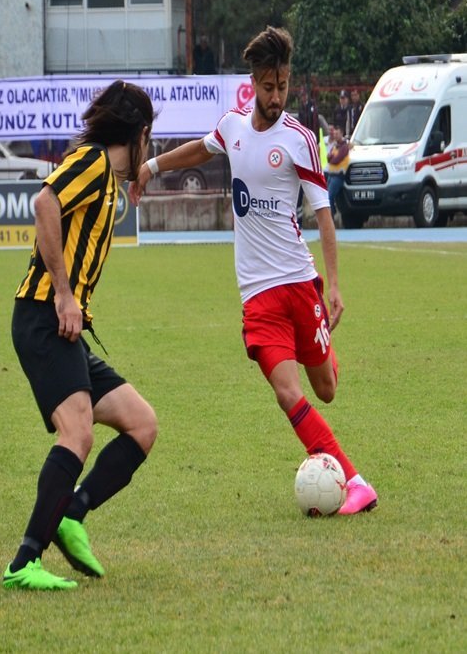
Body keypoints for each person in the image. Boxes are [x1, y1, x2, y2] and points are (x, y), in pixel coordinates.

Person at [130, 26, 377, 516]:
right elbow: (202, 148)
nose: (277, 96)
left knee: (325, 389)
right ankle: (355, 482)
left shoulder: (300, 140)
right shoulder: (233, 128)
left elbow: (323, 216)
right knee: (288, 393)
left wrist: (333, 286)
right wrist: (152, 167)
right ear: (253, 84)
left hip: (299, 282)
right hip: (258, 297)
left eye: (283, 86)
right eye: (268, 87)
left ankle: (320, 347)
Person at [3, 80, 157, 591]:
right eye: (149, 137)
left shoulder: (107, 177)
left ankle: (72, 515)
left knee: (141, 424)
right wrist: (65, 295)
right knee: (79, 432)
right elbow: (45, 202)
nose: (149, 146)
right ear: (137, 133)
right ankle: (24, 561)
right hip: (44, 317)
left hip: (64, 327)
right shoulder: (92, 162)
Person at [325, 124, 351, 220]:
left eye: (337, 134)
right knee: (328, 197)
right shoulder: (335, 146)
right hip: (331, 175)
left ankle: (331, 216)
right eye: (334, 134)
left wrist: (331, 159)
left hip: (338, 176)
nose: (335, 136)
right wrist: (330, 158)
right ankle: (331, 214)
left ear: (342, 134)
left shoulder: (344, 147)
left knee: (329, 197)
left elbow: (337, 159)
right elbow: (328, 158)